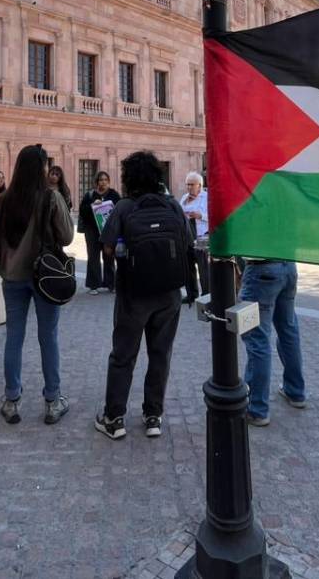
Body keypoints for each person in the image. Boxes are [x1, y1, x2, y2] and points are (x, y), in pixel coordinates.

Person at [94, 151, 198, 440]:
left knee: (123, 356)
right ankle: (153, 415)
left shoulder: (124, 207)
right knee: (160, 354)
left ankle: (114, 419)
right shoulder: (172, 205)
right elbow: (188, 244)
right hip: (169, 294)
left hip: (133, 294)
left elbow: (107, 248)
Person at [0, 144, 73, 426]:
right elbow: (67, 236)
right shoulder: (50, 197)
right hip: (44, 277)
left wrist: (5, 263)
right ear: (41, 168)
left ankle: (11, 400)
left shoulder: (3, 200)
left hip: (12, 277)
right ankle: (52, 400)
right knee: (48, 338)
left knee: (14, 337)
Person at [239, 258, 307, 426]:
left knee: (257, 339)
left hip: (261, 269)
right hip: (288, 264)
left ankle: (256, 408)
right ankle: (295, 391)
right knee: (288, 330)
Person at [77, 171, 120, 294]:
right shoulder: (90, 195)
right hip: (92, 231)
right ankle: (94, 285)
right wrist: (92, 205)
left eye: (106, 179)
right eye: (101, 180)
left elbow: (118, 210)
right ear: (97, 182)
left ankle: (111, 284)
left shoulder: (114, 194)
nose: (103, 182)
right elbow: (82, 211)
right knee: (93, 257)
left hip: (108, 231)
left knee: (109, 257)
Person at [180, 171, 210, 298]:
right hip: (187, 236)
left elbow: (215, 217)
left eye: (192, 184)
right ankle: (192, 294)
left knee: (203, 269)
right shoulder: (184, 198)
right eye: (187, 184)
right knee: (188, 266)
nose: (189, 187)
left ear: (200, 185)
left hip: (202, 236)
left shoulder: (207, 197)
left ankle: (206, 295)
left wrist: (200, 216)